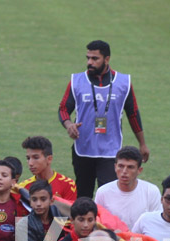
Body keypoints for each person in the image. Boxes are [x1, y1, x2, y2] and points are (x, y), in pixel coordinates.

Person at [58, 40, 150, 199]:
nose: (89, 63)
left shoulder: (124, 83)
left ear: (106, 59)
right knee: (82, 196)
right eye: (88, 58)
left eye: (95, 59)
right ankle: (82, 224)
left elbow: (133, 113)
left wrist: (142, 144)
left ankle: (106, 225)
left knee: (109, 197)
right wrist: (68, 125)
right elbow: (64, 108)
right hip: (83, 149)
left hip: (111, 151)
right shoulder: (76, 81)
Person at [94, 146, 160, 229]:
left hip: (141, 240)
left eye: (130, 167)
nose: (124, 171)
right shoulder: (103, 192)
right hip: (113, 239)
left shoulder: (151, 191)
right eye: (121, 166)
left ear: (139, 170)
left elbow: (156, 224)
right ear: (115, 167)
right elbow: (97, 223)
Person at [19, 136, 77, 202]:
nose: (30, 163)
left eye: (36, 157)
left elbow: (70, 211)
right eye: (28, 158)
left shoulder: (68, 185)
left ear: (49, 159)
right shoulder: (23, 187)